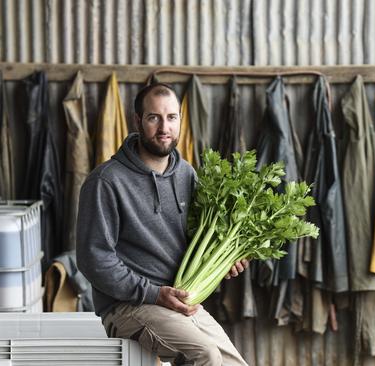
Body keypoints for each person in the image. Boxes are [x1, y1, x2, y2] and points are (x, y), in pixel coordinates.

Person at [76, 82, 249, 366]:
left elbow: (196, 241)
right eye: (153, 117)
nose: (163, 127)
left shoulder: (186, 175)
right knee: (204, 356)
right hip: (129, 307)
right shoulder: (106, 182)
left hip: (179, 302)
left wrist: (225, 260)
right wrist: (154, 293)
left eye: (171, 117)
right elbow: (94, 259)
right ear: (137, 121)